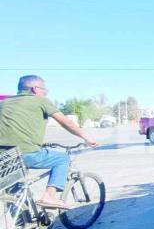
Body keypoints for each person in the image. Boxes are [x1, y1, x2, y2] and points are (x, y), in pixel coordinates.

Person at [0, 75, 99, 209]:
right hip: (26, 153)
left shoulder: (4, 103)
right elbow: (66, 122)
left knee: (14, 190)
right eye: (44, 89)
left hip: (4, 157)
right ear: (35, 89)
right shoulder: (40, 101)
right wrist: (87, 138)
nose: (46, 92)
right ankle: (49, 197)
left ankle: (20, 225)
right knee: (62, 159)